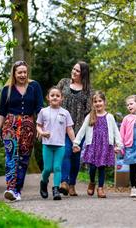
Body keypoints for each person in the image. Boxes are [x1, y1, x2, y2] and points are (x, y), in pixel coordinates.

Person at [0, 60, 43, 201]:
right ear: (14, 74)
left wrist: (40, 127)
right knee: (10, 157)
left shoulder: (35, 87)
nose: (22, 75)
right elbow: (1, 112)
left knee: (23, 158)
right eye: (19, 72)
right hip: (10, 124)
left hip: (28, 125)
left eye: (24, 72)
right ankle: (10, 188)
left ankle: (17, 191)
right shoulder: (7, 89)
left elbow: (39, 108)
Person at [73, 91, 122, 198]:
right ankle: (91, 182)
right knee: (93, 167)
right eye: (95, 101)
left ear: (104, 102)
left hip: (105, 145)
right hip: (93, 145)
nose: (98, 103)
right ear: (93, 104)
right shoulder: (90, 116)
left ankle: (100, 188)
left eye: (100, 101)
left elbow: (115, 131)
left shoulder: (109, 117)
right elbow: (82, 130)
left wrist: (119, 145)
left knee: (102, 167)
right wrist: (76, 143)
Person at [57, 61, 92, 196]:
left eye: (77, 70)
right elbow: (54, 98)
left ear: (83, 73)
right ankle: (64, 182)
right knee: (65, 152)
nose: (74, 72)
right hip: (61, 126)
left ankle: (72, 184)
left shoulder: (87, 90)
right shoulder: (63, 83)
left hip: (78, 129)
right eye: (73, 69)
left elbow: (89, 110)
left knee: (75, 157)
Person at [36, 87, 75, 200]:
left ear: (61, 98)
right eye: (52, 95)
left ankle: (56, 190)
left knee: (57, 168)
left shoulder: (65, 113)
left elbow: (69, 129)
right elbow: (38, 126)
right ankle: (43, 183)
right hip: (47, 145)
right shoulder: (43, 111)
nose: (55, 97)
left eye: (58, 95)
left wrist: (75, 143)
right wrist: (42, 133)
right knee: (47, 168)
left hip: (60, 146)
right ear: (48, 98)